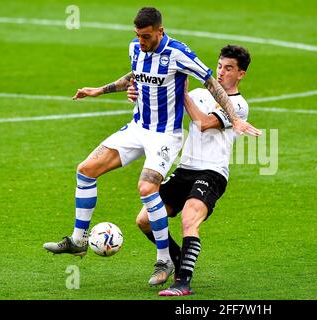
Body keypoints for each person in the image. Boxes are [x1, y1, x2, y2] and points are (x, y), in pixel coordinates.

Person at [43, 7, 261, 286]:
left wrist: (234, 118)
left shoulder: (178, 53)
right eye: (138, 36)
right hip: (138, 127)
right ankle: (78, 240)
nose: (142, 42)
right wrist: (101, 89)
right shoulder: (136, 48)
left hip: (164, 135)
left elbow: (209, 81)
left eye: (146, 37)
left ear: (160, 31)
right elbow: (135, 75)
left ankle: (165, 258)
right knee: (86, 170)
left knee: (147, 188)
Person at [130, 44, 254, 296]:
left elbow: (204, 122)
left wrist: (184, 95)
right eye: (219, 66)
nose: (221, 73)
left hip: (212, 173)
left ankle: (182, 282)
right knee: (144, 220)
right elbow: (160, 100)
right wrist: (136, 92)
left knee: (189, 218)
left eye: (229, 68)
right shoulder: (199, 92)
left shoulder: (238, 106)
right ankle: (176, 259)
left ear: (241, 74)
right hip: (185, 169)